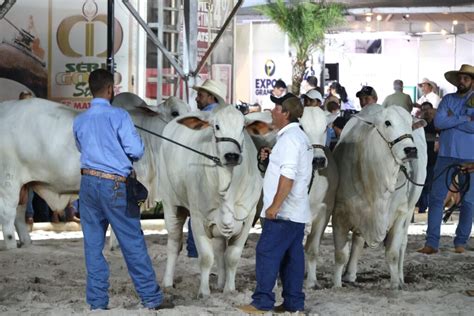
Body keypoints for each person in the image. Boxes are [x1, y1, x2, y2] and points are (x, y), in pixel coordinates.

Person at [73, 69, 172, 310]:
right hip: (115, 185)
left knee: (93, 246)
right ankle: (150, 297)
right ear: (110, 90)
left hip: (87, 183)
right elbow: (137, 151)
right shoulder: (119, 116)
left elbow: (80, 146)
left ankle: (97, 302)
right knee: (132, 242)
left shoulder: (80, 120)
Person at [239, 95, 312, 314]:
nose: (272, 110)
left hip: (283, 213)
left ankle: (262, 302)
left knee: (267, 253)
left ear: (286, 113)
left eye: (276, 107)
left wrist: (274, 206)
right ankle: (293, 303)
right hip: (297, 211)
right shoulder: (299, 137)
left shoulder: (289, 140)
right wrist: (272, 159)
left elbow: (288, 176)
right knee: (292, 258)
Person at [417, 64, 474, 255]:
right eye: (461, 78)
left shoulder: (458, 101)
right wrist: (465, 119)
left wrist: (453, 119)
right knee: (436, 198)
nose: (462, 81)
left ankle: (461, 242)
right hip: (446, 154)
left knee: (468, 200)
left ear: (472, 81)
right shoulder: (448, 98)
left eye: (466, 78)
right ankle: (432, 243)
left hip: (470, 155)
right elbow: (439, 122)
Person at [187, 79, 228, 258]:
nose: (197, 98)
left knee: (197, 211)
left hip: (202, 171)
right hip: (223, 177)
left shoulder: (205, 119)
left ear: (211, 97)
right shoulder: (227, 117)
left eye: (201, 95)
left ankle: (195, 249)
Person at [416, 102, 438, 214]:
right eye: (424, 109)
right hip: (420, 158)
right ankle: (422, 206)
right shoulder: (419, 123)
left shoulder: (437, 123)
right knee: (421, 181)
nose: (427, 112)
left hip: (432, 158)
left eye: (428, 109)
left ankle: (427, 206)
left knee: (429, 182)